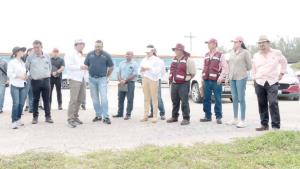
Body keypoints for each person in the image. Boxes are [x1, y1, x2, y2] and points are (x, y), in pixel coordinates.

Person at [252, 35, 287, 131]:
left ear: (268, 43)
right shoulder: (256, 55)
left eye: (263, 42)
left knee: (272, 103)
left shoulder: (276, 53)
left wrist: (282, 73)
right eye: (259, 43)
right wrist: (254, 78)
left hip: (272, 81)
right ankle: (264, 125)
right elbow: (254, 68)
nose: (261, 44)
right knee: (262, 103)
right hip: (259, 82)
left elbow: (284, 62)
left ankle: (275, 126)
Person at [84, 40, 114, 125]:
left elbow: (111, 67)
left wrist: (107, 76)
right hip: (92, 79)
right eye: (96, 46)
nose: (98, 48)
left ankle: (106, 117)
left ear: (102, 46)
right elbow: (86, 65)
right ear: (94, 46)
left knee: (104, 98)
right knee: (95, 99)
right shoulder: (90, 54)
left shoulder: (106, 55)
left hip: (102, 79)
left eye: (99, 46)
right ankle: (98, 115)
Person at [200, 38, 228, 124]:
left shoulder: (220, 55)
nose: (208, 45)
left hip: (216, 81)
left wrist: (221, 78)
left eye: (209, 43)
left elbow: (225, 67)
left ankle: (218, 117)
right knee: (206, 99)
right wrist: (202, 79)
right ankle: (207, 116)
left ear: (215, 44)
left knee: (218, 99)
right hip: (206, 80)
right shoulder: (206, 55)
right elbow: (204, 67)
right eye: (207, 43)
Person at [166, 43, 196, 125]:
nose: (175, 51)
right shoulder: (174, 59)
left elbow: (193, 73)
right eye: (174, 49)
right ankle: (174, 117)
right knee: (174, 101)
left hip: (183, 83)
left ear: (181, 50)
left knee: (184, 101)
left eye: (176, 49)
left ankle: (186, 118)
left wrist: (186, 79)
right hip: (174, 83)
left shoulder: (188, 60)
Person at [226, 36, 252, 128]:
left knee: (241, 98)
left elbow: (249, 66)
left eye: (235, 42)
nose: (234, 44)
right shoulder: (231, 52)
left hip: (241, 77)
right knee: (234, 98)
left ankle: (243, 120)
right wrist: (227, 77)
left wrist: (242, 69)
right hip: (232, 77)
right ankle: (235, 118)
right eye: (233, 42)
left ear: (240, 42)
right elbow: (229, 65)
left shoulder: (245, 52)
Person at [26, 40, 53, 124]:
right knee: (35, 100)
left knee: (46, 100)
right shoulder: (30, 57)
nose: (36, 49)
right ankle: (35, 117)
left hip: (46, 80)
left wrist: (47, 74)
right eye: (34, 47)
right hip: (35, 81)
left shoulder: (47, 56)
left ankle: (48, 117)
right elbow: (26, 68)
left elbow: (50, 67)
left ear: (41, 47)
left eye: (37, 47)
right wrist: (29, 75)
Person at [65, 39, 88, 128]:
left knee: (80, 98)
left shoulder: (80, 55)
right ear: (76, 45)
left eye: (83, 44)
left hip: (82, 78)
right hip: (74, 79)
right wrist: (80, 67)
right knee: (73, 99)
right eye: (81, 44)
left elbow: (84, 67)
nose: (82, 46)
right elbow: (68, 66)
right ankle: (70, 119)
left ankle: (75, 116)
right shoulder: (70, 54)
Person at [113, 51, 138, 120]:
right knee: (120, 98)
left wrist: (125, 80)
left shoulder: (134, 64)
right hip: (121, 83)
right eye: (126, 54)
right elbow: (118, 72)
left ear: (132, 56)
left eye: (129, 54)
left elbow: (134, 74)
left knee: (129, 99)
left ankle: (128, 114)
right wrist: (120, 80)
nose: (127, 55)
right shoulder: (121, 63)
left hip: (130, 83)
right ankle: (120, 113)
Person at [139, 45, 161, 123]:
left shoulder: (157, 60)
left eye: (149, 51)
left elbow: (158, 70)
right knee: (146, 98)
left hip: (153, 79)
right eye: (147, 52)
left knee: (154, 98)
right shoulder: (144, 59)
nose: (147, 53)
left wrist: (148, 68)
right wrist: (142, 70)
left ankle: (155, 116)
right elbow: (140, 70)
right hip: (145, 78)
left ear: (153, 51)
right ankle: (145, 115)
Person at [7, 47, 28, 129]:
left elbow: (26, 72)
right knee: (16, 103)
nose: (23, 52)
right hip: (15, 85)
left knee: (21, 104)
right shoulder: (12, 62)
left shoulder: (23, 62)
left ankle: (18, 119)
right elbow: (9, 74)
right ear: (16, 52)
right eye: (21, 51)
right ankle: (13, 121)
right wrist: (19, 76)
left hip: (23, 85)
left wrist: (27, 75)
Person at [149, 51, 166, 120]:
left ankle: (162, 113)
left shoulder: (159, 61)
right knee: (150, 97)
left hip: (156, 80)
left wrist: (158, 78)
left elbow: (163, 71)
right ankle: (152, 112)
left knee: (158, 97)